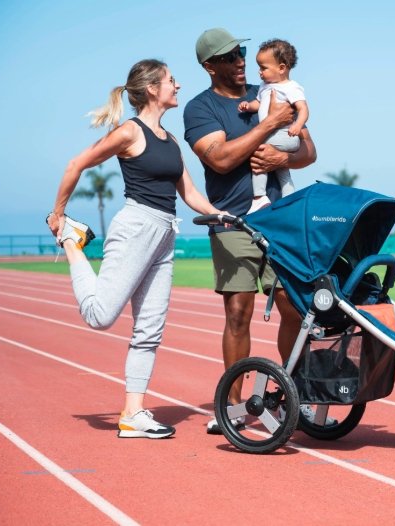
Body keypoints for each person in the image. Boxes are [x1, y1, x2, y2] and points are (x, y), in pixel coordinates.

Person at [47, 59, 226, 439]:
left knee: (150, 330)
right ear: (152, 89)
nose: (178, 85)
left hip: (165, 233)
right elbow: (77, 163)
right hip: (136, 227)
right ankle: (72, 242)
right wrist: (59, 215)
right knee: (100, 316)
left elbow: (189, 193)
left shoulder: (171, 140)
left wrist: (219, 214)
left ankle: (132, 414)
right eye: (172, 80)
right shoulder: (130, 131)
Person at [183, 28, 332, 434]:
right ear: (209, 66)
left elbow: (308, 151)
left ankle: (294, 400)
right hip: (233, 221)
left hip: (280, 220)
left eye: (242, 52)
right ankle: (232, 409)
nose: (240, 61)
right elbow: (220, 159)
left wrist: (280, 159)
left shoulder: (271, 88)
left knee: (293, 308)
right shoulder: (200, 109)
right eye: (229, 57)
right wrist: (268, 126)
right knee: (238, 312)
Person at [237, 39, 308, 213]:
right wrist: (248, 106)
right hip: (277, 136)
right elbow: (258, 103)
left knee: (257, 150)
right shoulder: (265, 86)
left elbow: (303, 109)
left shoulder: (291, 87)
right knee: (282, 171)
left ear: (282, 68)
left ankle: (259, 196)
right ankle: (290, 199)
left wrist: (298, 125)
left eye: (264, 68)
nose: (259, 72)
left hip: (285, 134)